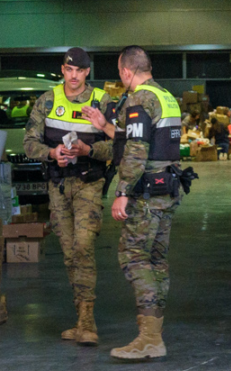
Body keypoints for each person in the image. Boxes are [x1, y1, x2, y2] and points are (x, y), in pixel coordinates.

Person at [82, 45, 189, 360]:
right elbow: (138, 138)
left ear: (126, 71)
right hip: (167, 189)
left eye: (120, 72)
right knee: (157, 261)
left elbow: (137, 149)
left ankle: (149, 338)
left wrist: (122, 191)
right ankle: (154, 333)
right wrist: (104, 124)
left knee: (132, 257)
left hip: (144, 195)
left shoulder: (138, 99)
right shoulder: (166, 97)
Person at [21, 47, 113, 345]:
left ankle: (88, 321)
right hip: (58, 185)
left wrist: (90, 150)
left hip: (89, 183)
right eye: (69, 70)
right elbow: (29, 142)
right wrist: (51, 153)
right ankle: (80, 318)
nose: (74, 76)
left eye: (80, 70)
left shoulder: (102, 101)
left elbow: (120, 144)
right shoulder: (47, 101)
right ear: (63, 69)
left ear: (88, 72)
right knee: (70, 253)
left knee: (83, 245)